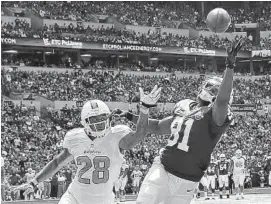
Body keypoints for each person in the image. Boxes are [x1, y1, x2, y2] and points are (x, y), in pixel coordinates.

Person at [119, 39, 243, 204]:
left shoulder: (215, 117)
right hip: (163, 167)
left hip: (188, 179)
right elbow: (156, 126)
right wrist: (133, 115)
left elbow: (221, 101)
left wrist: (230, 66)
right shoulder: (185, 106)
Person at [13, 85, 161, 204]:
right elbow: (57, 162)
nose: (100, 122)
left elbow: (139, 135)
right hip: (75, 197)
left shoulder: (116, 135)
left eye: (103, 117)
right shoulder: (75, 137)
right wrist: (33, 182)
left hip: (104, 199)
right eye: (95, 120)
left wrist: (144, 109)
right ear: (85, 123)